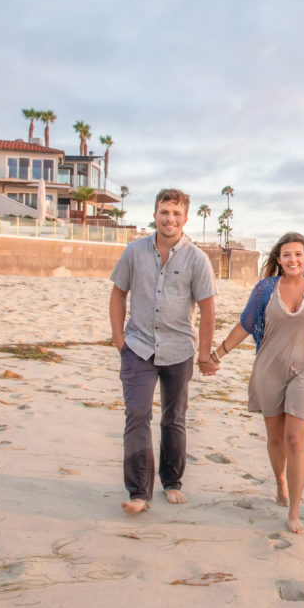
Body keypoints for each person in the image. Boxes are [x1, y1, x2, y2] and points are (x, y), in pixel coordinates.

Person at [212, 233, 304, 535]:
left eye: (298, 254)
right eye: (286, 255)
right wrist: (218, 354)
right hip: (269, 370)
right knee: (276, 439)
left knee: (296, 441)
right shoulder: (265, 289)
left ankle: (294, 510)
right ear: (278, 260)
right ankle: (280, 481)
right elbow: (245, 325)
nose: (293, 260)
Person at [109, 188, 217, 515]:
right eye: (164, 212)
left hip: (179, 350)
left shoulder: (197, 259)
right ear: (155, 214)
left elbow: (208, 310)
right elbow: (118, 295)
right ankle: (139, 491)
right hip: (137, 347)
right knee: (137, 416)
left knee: (174, 419)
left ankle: (172, 482)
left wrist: (204, 354)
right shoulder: (134, 252)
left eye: (176, 213)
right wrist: (119, 340)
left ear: (185, 218)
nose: (169, 219)